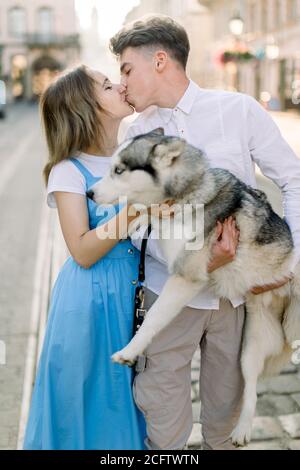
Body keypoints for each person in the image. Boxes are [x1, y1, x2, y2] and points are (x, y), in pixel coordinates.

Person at [110, 15, 300, 450]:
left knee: (225, 423)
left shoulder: (238, 109)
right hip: (168, 294)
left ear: (160, 61)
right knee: (162, 421)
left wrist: (291, 263)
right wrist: (194, 257)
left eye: (126, 69)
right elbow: (132, 224)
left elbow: (294, 178)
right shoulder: (134, 132)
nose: (121, 84)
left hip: (233, 299)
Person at [23, 65, 150, 450]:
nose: (121, 85)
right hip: (89, 302)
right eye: (108, 86)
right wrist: (132, 210)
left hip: (134, 295)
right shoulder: (69, 171)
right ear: (86, 109)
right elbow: (81, 249)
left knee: (132, 403)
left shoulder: (134, 152)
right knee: (87, 404)